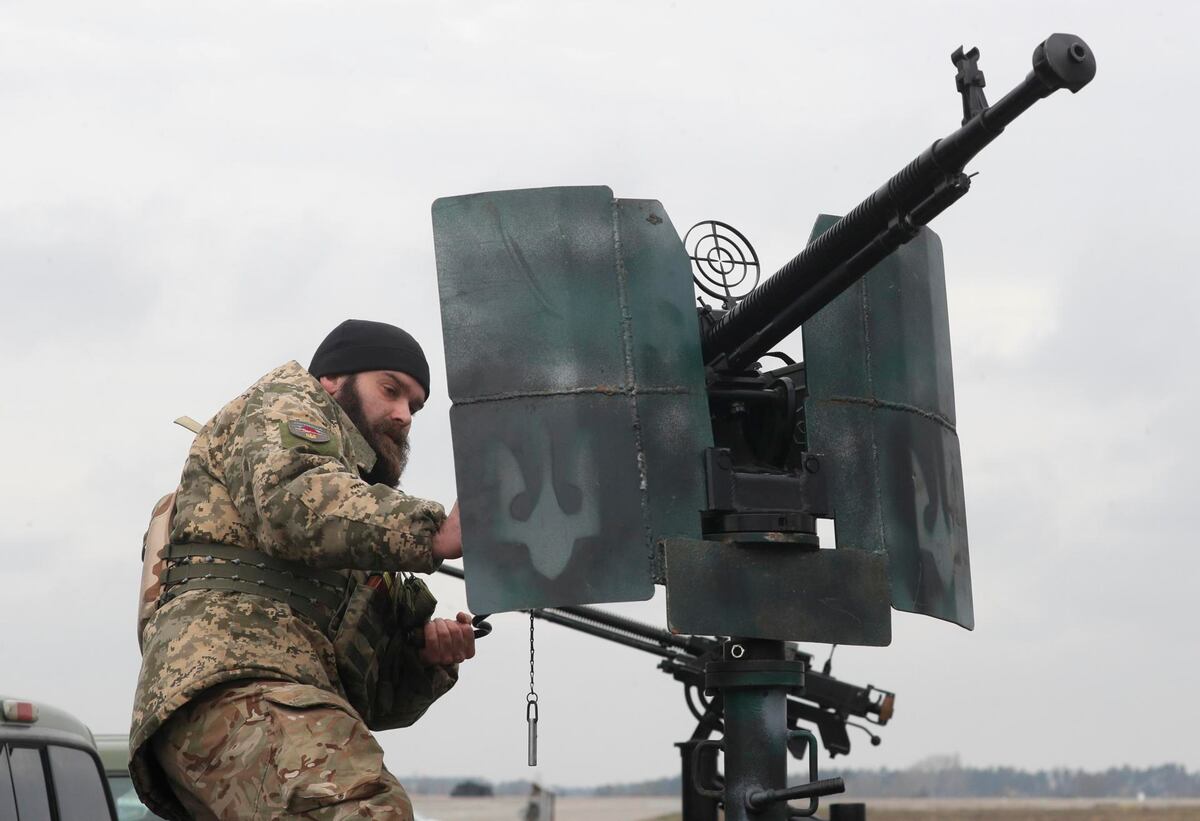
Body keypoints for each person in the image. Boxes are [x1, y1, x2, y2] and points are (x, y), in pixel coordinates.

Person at [130, 319, 473, 820]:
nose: (403, 415)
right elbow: (291, 505)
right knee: (365, 811)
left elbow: (374, 703)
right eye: (390, 390)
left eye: (414, 406)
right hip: (231, 684)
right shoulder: (286, 405)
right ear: (332, 380)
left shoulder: (355, 528)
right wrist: (432, 534)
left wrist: (426, 658)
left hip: (268, 701)